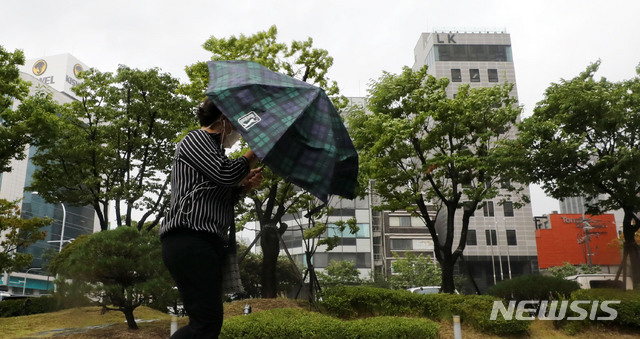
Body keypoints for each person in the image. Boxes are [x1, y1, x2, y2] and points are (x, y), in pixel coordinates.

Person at [160, 98, 262, 338]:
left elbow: (217, 191)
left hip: (202, 242)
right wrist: (255, 153)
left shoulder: (214, 151)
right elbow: (225, 174)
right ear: (224, 120)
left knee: (208, 323)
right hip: (189, 238)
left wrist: (243, 187)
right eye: (236, 125)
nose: (237, 132)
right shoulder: (197, 139)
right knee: (205, 324)